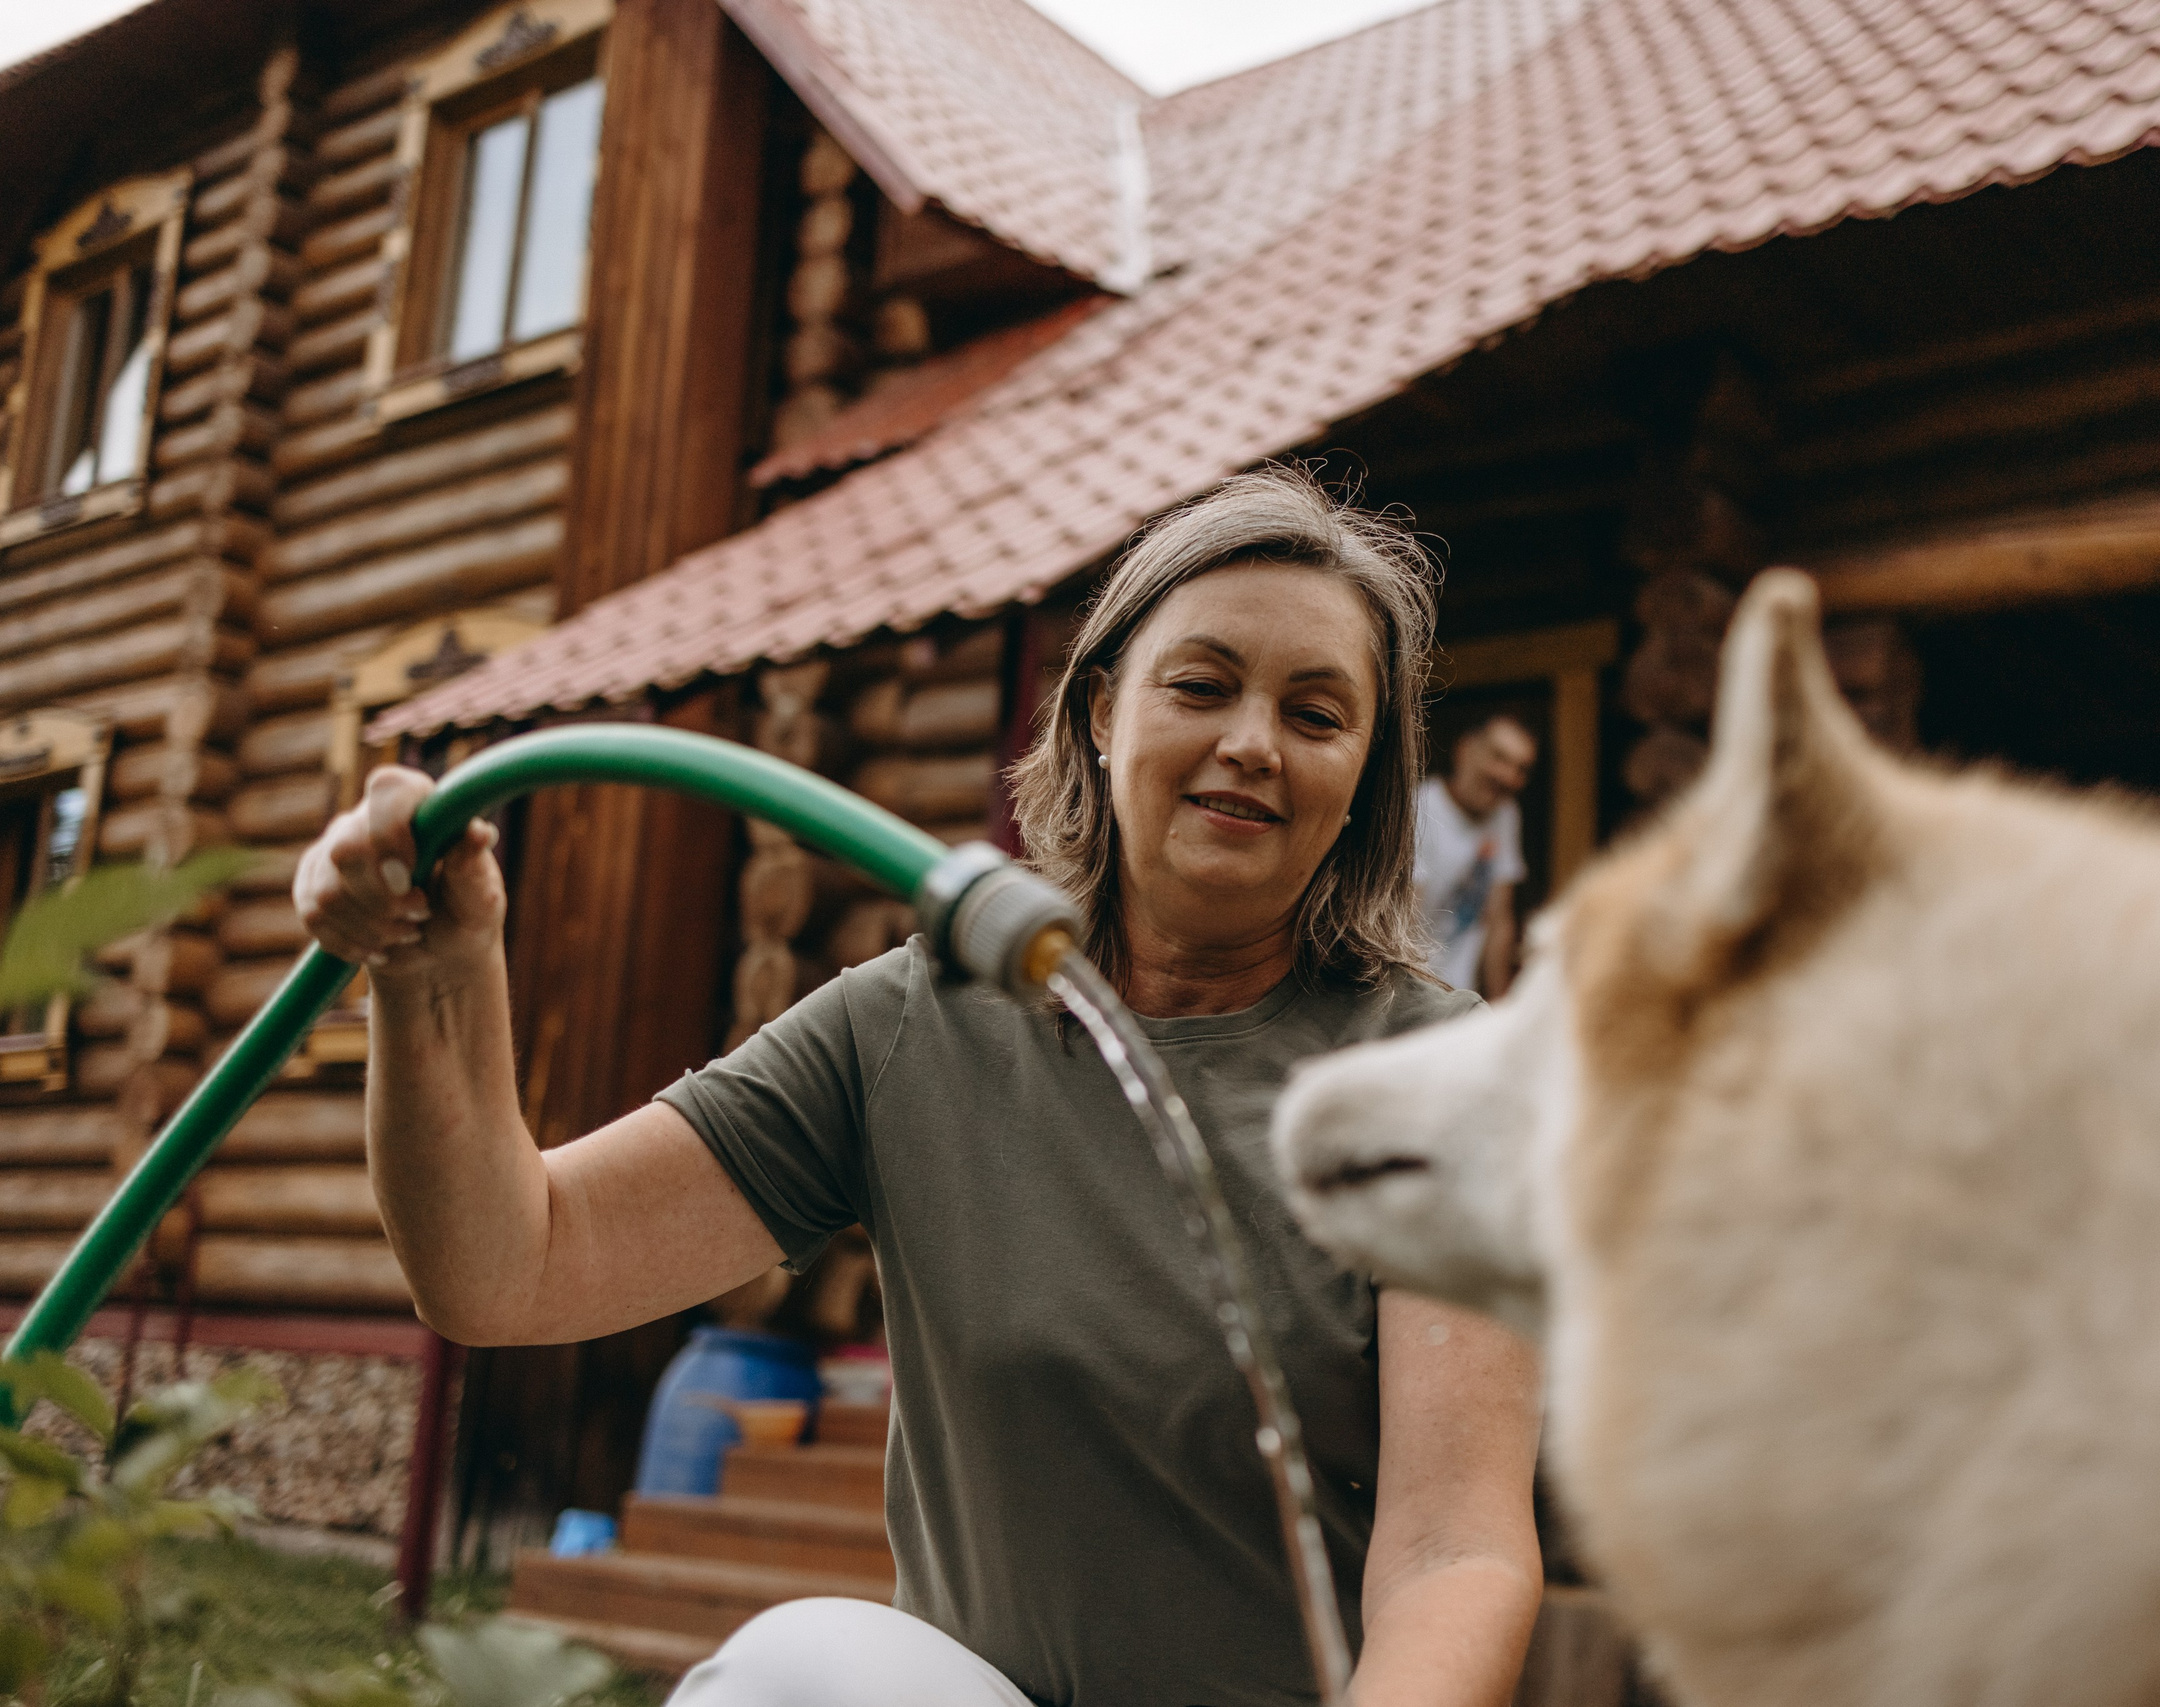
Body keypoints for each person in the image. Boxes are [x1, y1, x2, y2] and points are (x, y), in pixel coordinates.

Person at [295, 468, 1544, 1707]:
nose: (1251, 744)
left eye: (1317, 716)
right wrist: (436, 968)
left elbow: (1457, 1550)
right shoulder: (913, 1027)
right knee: (797, 1670)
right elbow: (510, 1264)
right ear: (1102, 715)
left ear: (1366, 776)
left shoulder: (1435, 1086)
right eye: (1201, 686)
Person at [1413, 714, 1536, 998]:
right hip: (1413, 993)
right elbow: (1405, 921)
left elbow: (1499, 920)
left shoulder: (1505, 815)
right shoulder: (1418, 808)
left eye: (1520, 768)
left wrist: (1500, 1011)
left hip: (1460, 996)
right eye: (1499, 757)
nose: (1507, 776)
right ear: (1465, 750)